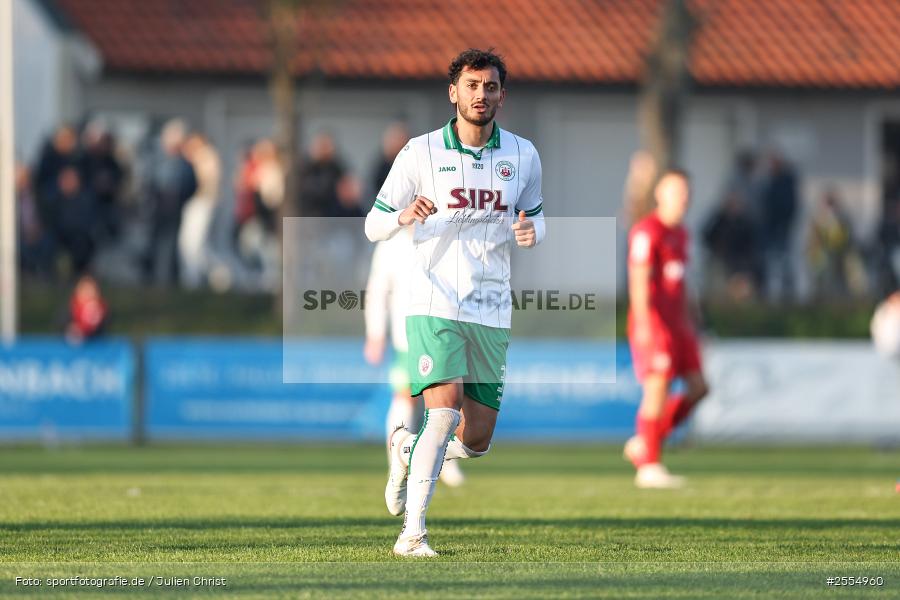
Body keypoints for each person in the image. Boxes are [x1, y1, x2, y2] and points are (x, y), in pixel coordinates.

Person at [364, 48, 545, 557]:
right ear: (453, 93)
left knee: (476, 439)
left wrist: (533, 232)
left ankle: (405, 447)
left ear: (501, 96)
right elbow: (373, 224)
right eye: (471, 86)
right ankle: (412, 534)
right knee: (441, 415)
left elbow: (536, 217)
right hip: (433, 300)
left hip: (491, 308)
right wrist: (403, 216)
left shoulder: (523, 155)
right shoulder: (419, 152)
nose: (480, 95)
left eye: (490, 87)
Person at [624, 169, 709, 489]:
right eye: (675, 190)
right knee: (657, 388)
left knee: (699, 388)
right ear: (659, 193)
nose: (682, 197)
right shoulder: (647, 231)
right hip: (655, 322)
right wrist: (645, 323)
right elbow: (638, 280)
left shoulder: (682, 234)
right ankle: (648, 466)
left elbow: (683, 284)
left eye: (686, 191)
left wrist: (695, 323)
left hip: (680, 324)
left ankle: (645, 442)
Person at [364, 226, 465, 489]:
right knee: (406, 396)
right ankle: (397, 463)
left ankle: (443, 460)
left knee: (448, 398)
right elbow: (377, 290)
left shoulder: (445, 236)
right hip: (407, 334)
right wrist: (375, 333)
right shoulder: (391, 244)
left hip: (444, 332)